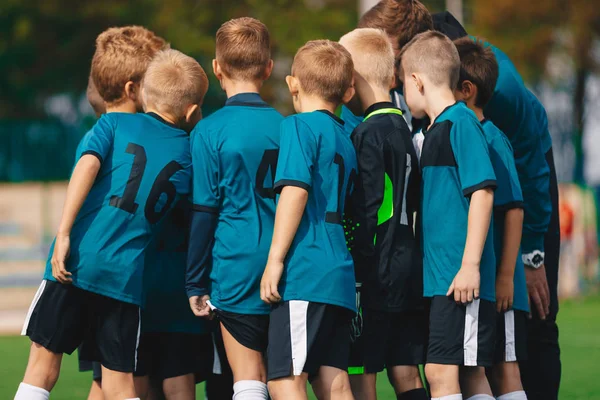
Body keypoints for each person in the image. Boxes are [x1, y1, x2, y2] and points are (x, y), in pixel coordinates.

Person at [359, 3, 560, 397]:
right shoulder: (439, 118)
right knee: (466, 371)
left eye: (394, 68)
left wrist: (525, 260)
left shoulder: (481, 111)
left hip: (475, 265)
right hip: (448, 273)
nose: (392, 81)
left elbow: (508, 185)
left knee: (517, 343)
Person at [15, 46, 206, 400]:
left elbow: (87, 164)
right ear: (192, 111)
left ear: (143, 92)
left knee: (41, 368)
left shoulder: (113, 122)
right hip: (125, 280)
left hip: (76, 262)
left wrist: (63, 232)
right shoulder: (191, 154)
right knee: (120, 385)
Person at [186, 17, 282, 400]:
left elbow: (204, 211)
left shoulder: (208, 130)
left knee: (246, 378)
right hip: (285, 264)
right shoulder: (288, 126)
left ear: (216, 68)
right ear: (269, 68)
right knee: (283, 380)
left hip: (234, 264)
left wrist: (195, 281)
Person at [400, 31, 498, 400]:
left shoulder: (461, 123)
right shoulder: (436, 129)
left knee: (442, 372)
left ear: (417, 81)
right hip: (442, 280)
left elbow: (483, 192)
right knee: (467, 374)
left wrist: (470, 264)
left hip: (460, 281)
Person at [75, 26, 170, 400]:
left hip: (108, 272)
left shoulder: (103, 132)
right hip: (130, 278)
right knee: (126, 378)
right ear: (133, 90)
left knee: (106, 379)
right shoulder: (142, 135)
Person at [260, 39, 357, 400]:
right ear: (347, 92)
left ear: (292, 84)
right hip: (339, 272)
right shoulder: (346, 136)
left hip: (305, 272)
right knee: (333, 382)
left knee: (285, 380)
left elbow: (296, 191)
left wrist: (275, 260)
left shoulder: (299, 127)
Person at [338, 28, 427, 400]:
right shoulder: (404, 130)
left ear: (351, 78)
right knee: (406, 371)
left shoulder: (367, 134)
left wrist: (356, 263)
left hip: (375, 274)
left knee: (363, 373)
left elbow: (371, 209)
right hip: (407, 268)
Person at [453, 37, 529, 400]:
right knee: (477, 366)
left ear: (465, 90)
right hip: (482, 280)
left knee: (504, 366)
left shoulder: (493, 139)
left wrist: (503, 276)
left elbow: (514, 209)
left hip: (500, 281)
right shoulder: (461, 135)